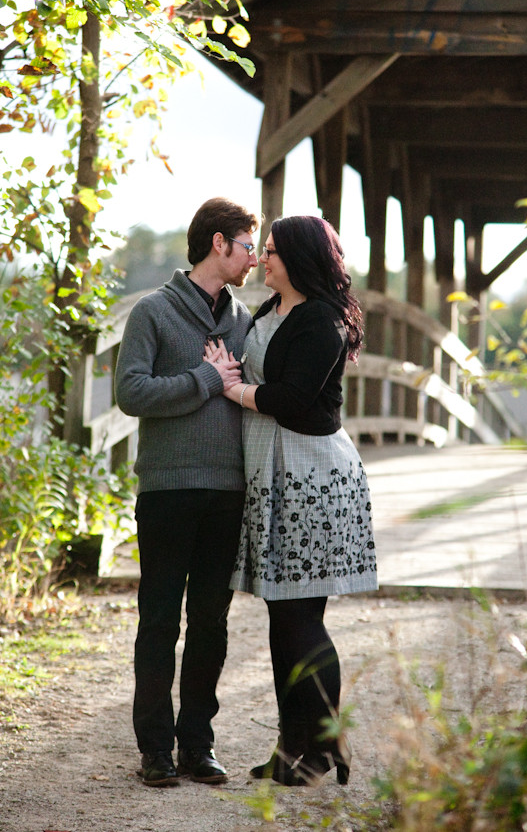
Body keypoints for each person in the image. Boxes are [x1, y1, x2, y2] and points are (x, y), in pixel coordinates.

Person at [204, 215, 377, 786]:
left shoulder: (321, 320)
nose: (263, 260)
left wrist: (232, 388)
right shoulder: (267, 311)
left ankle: (323, 745)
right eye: (264, 250)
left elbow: (298, 400)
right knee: (286, 618)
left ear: (300, 259)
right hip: (271, 470)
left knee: (300, 618)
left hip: (311, 477)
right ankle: (295, 745)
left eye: (273, 252)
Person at [115, 197, 258, 787]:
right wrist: (204, 379)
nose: (253, 256)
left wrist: (237, 380)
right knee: (159, 621)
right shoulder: (153, 312)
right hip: (169, 490)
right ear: (219, 244)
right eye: (248, 245)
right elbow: (130, 392)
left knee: (211, 622)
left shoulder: (244, 320)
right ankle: (154, 749)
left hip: (227, 491)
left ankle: (196, 745)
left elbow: (258, 391)